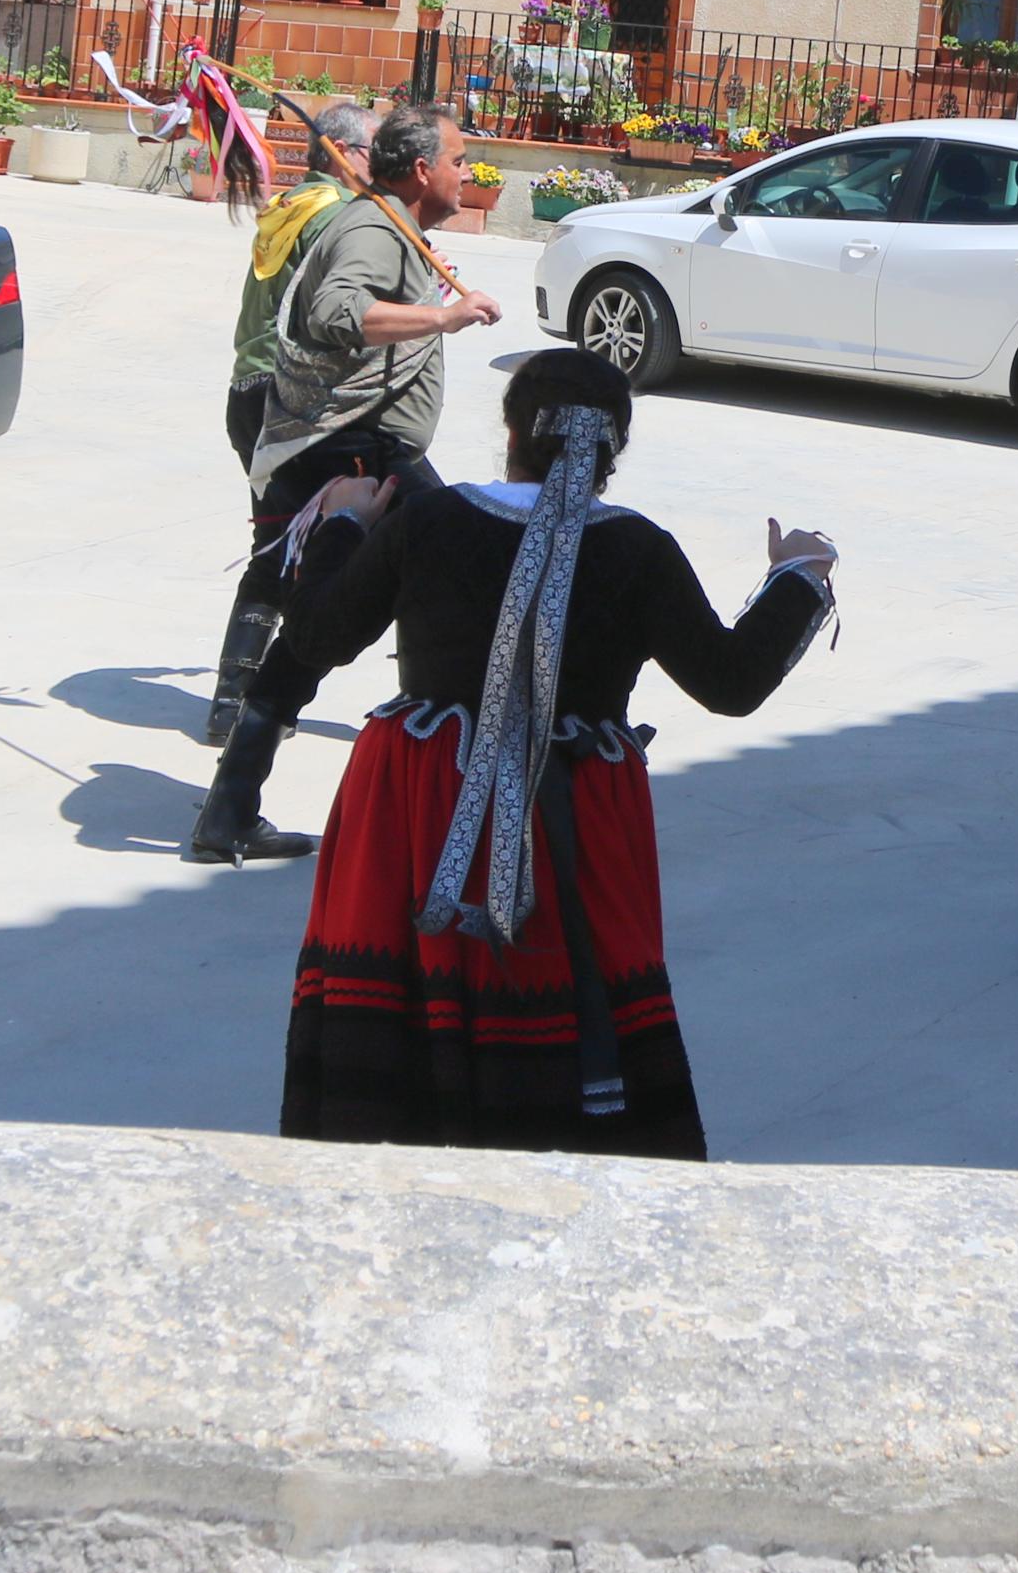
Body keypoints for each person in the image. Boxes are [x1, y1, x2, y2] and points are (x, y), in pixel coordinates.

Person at [252, 349, 834, 1158]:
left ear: (511, 430)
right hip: (573, 811)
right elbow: (730, 681)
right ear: (612, 452)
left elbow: (315, 636)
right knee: (566, 984)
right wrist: (798, 574)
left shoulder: (430, 520)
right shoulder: (636, 548)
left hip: (421, 799)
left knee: (412, 987)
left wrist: (344, 520)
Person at [184, 101, 502, 864]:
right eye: (459, 160)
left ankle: (228, 813)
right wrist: (443, 318)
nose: (469, 174)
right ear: (422, 168)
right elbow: (334, 312)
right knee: (456, 580)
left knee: (317, 631)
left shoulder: (390, 224)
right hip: (354, 453)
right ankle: (457, 803)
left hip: (361, 446)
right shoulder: (366, 226)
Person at [202, 99, 379, 744]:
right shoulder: (335, 216)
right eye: (369, 152)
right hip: (292, 399)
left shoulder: (289, 206)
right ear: (342, 154)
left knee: (276, 546)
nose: (376, 164)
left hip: (247, 395)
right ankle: (262, 703)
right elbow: (345, 314)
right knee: (370, 539)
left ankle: (232, 702)